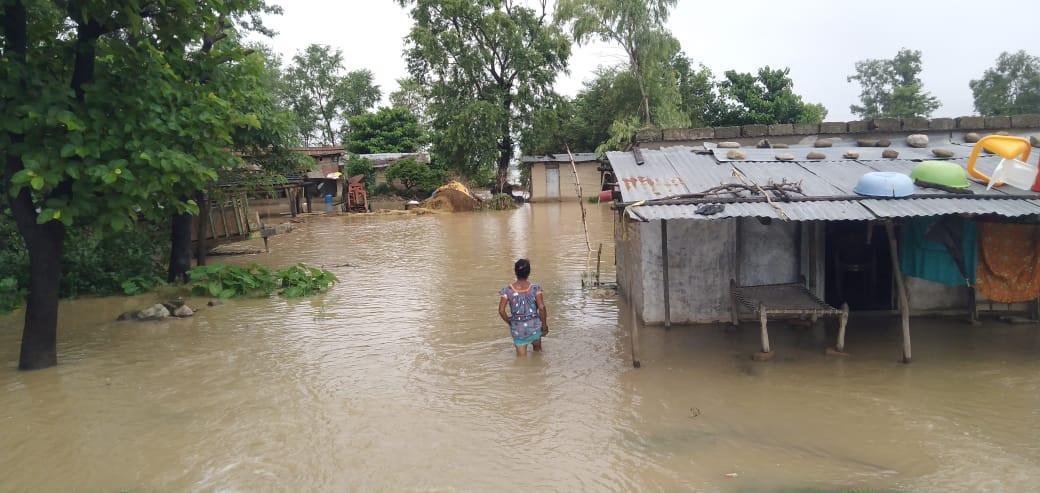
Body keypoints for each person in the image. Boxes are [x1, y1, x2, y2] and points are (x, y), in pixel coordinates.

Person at [498, 258, 548, 356]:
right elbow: (542, 308)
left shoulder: (507, 290)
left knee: (521, 359)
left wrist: (509, 321)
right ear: (529, 272)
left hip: (518, 328)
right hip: (534, 326)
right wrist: (544, 326)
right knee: (538, 353)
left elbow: (501, 310)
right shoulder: (535, 288)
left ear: (515, 272)